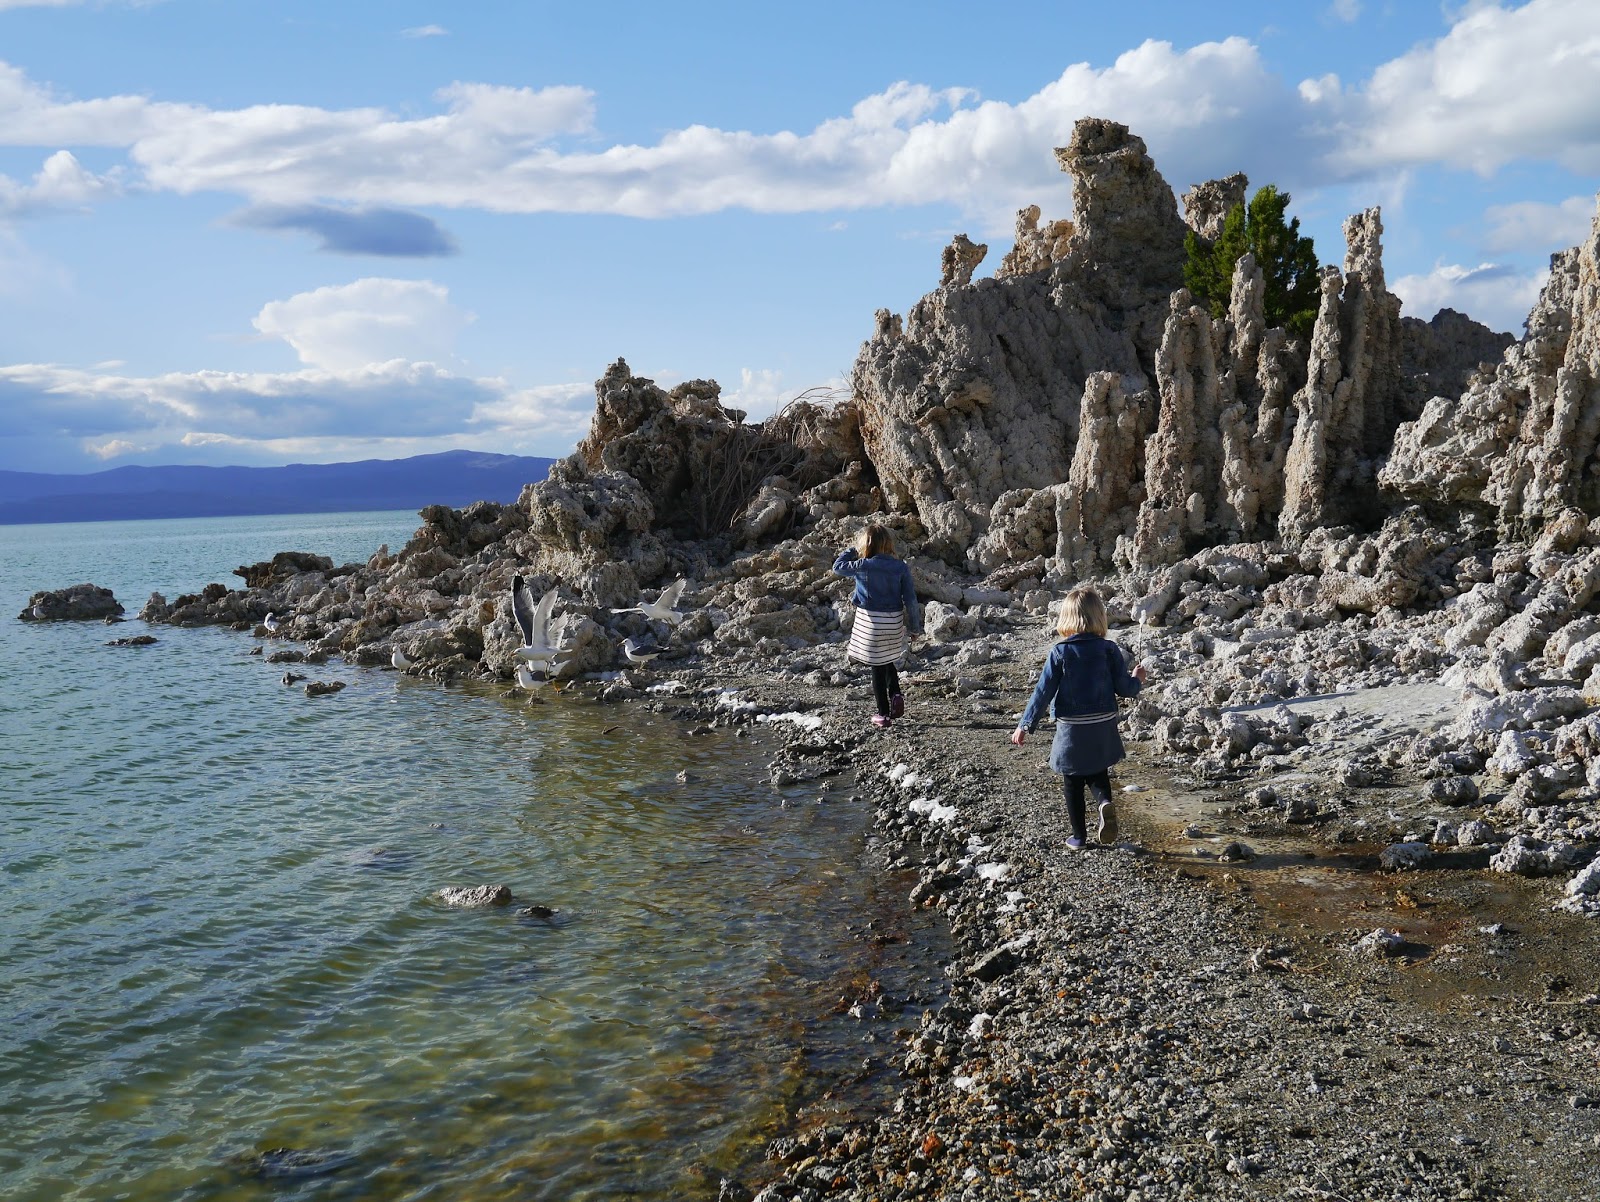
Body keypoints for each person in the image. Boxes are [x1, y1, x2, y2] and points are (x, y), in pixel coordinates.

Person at [1010, 588, 1146, 849]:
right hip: (1103, 723)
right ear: (1099, 617)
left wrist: (1025, 725)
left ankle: (1078, 837)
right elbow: (1125, 689)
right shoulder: (1109, 649)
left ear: (1067, 618)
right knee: (1098, 772)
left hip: (1072, 726)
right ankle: (1105, 803)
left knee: (1072, 780)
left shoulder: (1060, 652)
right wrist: (1137, 679)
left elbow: (1043, 692)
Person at [834, 524, 921, 728]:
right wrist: (915, 627)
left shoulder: (863, 565)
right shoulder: (900, 567)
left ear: (867, 544)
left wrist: (853, 550)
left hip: (870, 623)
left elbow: (837, 566)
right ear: (888, 543)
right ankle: (896, 694)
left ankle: (883, 714)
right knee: (887, 658)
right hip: (893, 622)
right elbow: (911, 600)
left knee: (876, 666)